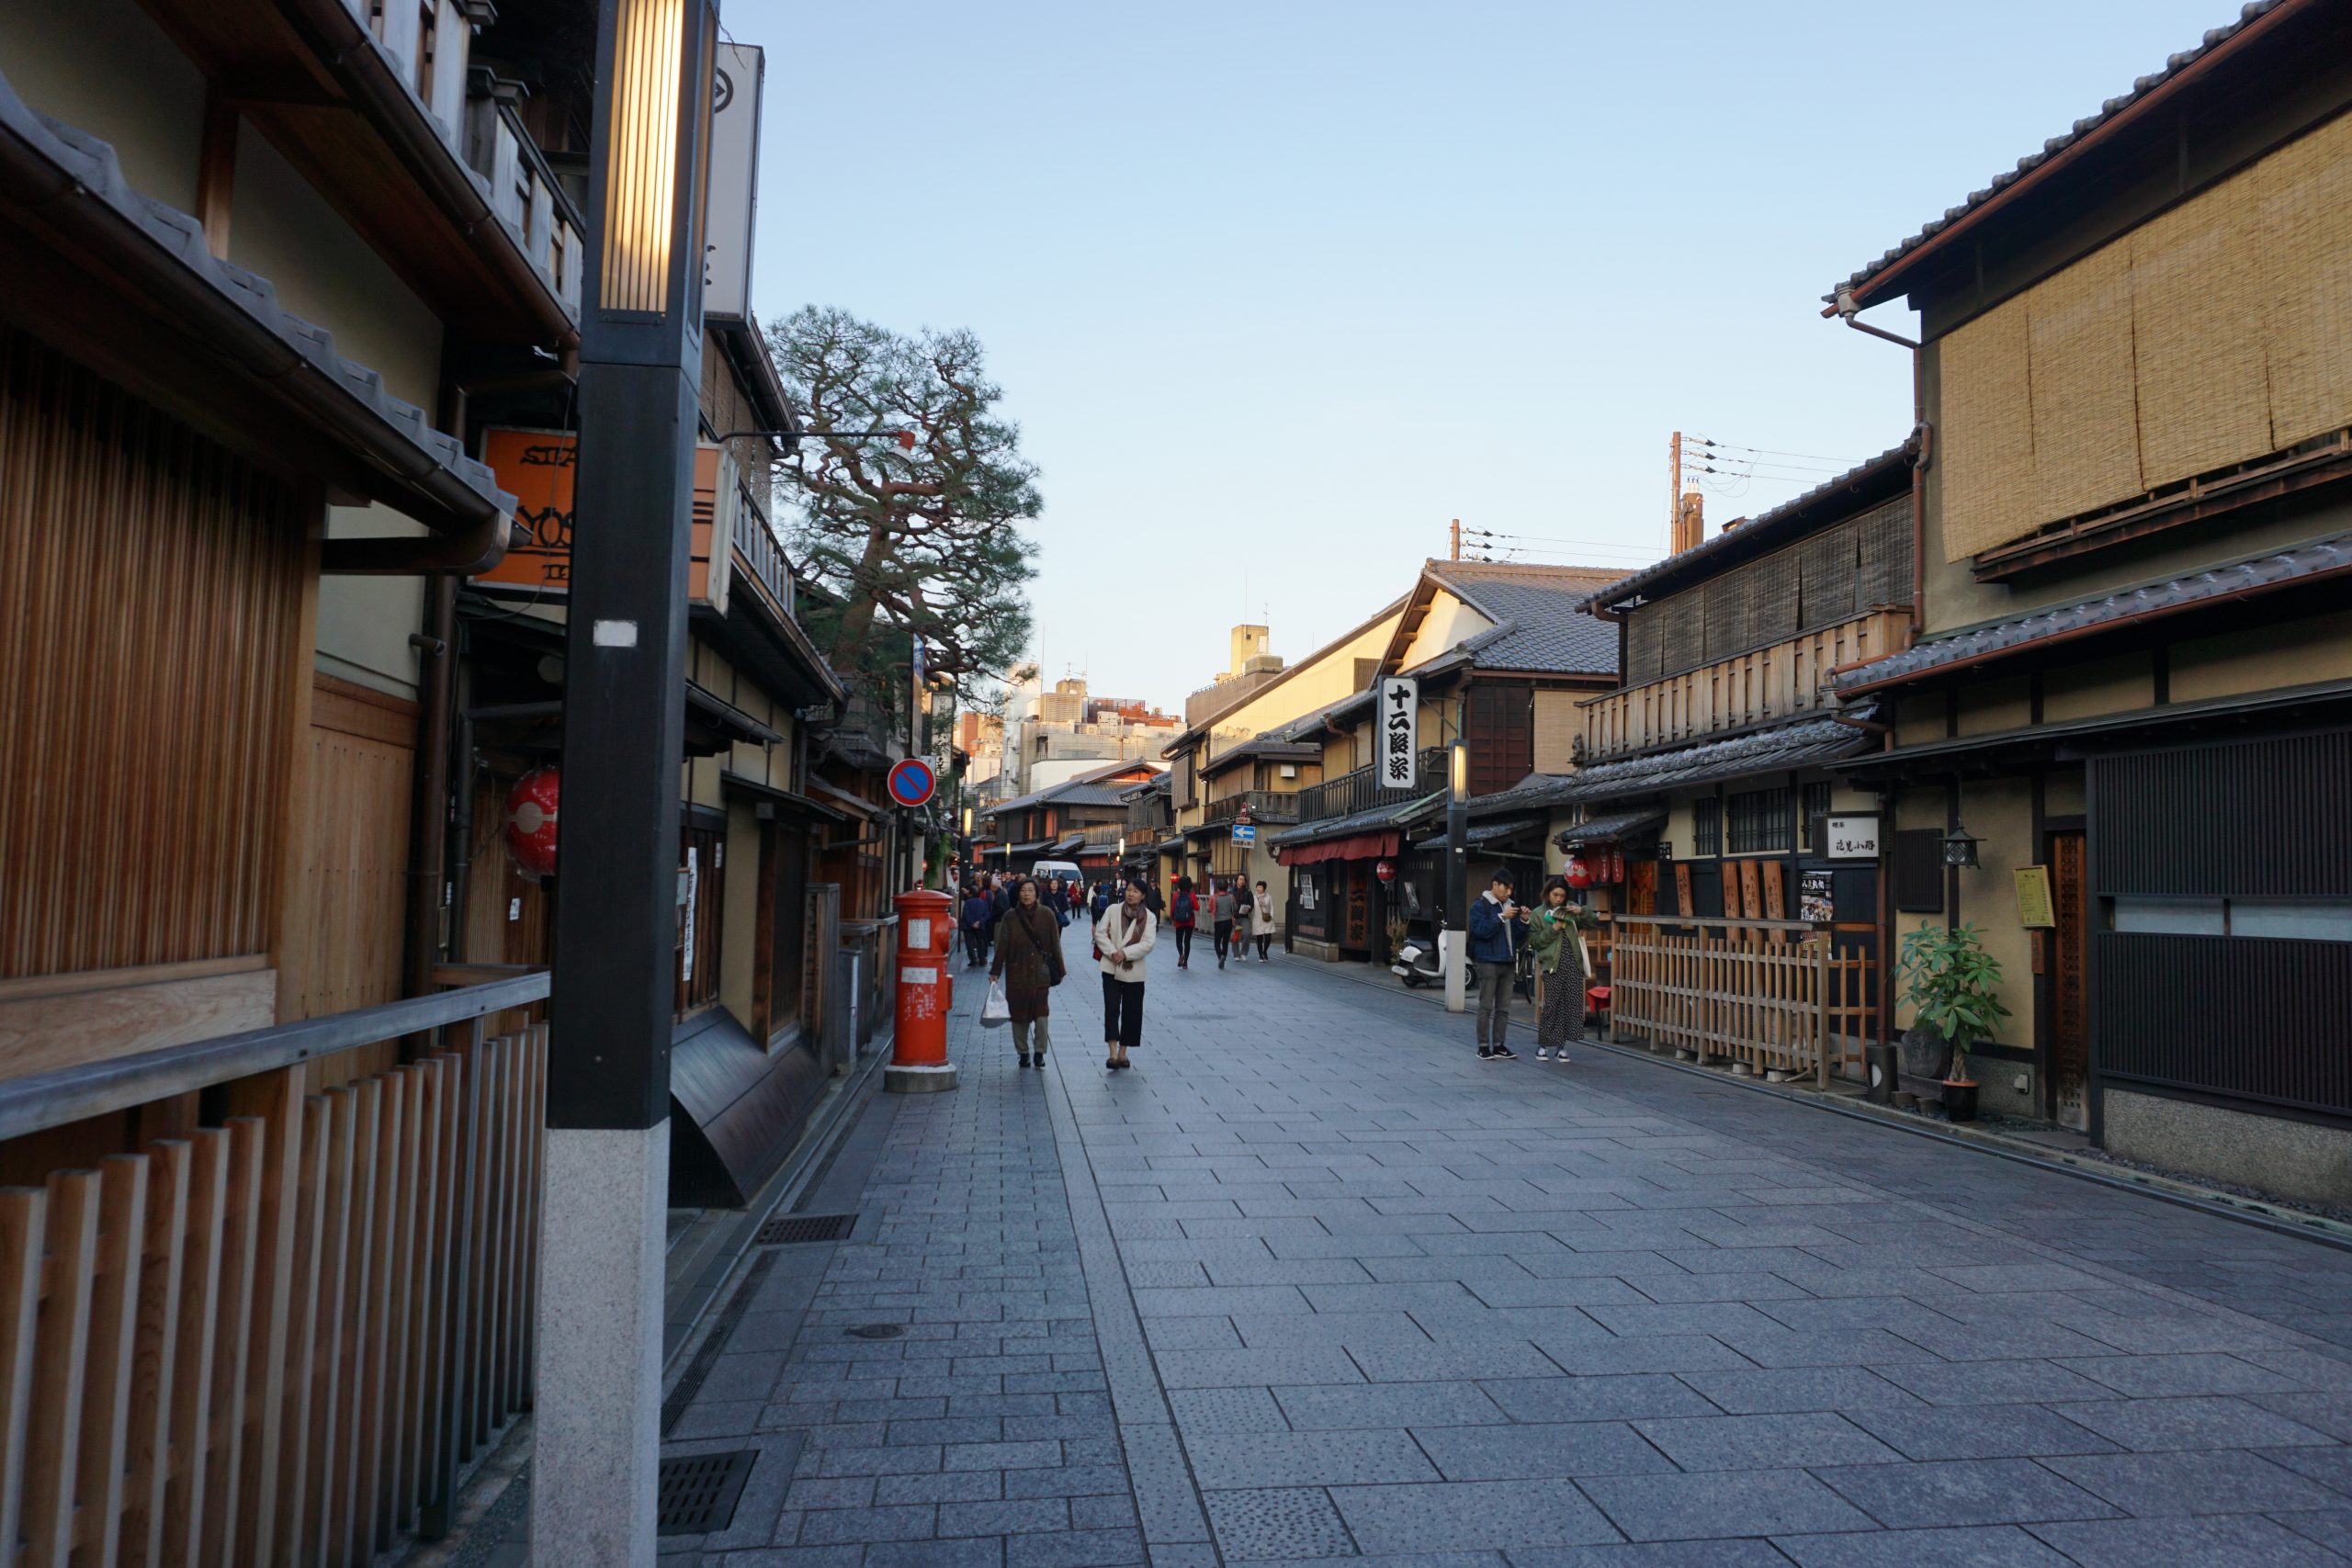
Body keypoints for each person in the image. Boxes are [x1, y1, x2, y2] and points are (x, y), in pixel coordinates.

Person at [992, 876, 1067, 1070]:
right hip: (1017, 973)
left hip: (1040, 973)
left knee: (1041, 1015)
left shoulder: (1047, 914)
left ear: (1036, 894)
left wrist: (1060, 968)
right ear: (1018, 893)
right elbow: (1002, 946)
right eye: (1023, 890)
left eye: (1030, 891)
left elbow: (1055, 944)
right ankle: (1023, 1052)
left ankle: (1040, 1052)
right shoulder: (1010, 917)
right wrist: (995, 970)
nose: (1027, 894)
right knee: (1019, 1016)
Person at [1525, 877, 1597, 1061]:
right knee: (1552, 1005)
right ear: (1548, 893)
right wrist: (1555, 928)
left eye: (1562, 895)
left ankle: (1561, 1046)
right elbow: (1535, 941)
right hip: (1552, 964)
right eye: (1555, 895)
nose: (1558, 899)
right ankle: (1542, 1045)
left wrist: (1582, 911)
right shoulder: (1539, 913)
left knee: (1571, 1006)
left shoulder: (1571, 908)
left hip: (1573, 962)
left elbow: (1592, 921)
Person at [1094, 880, 1156, 1070]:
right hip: (1111, 967)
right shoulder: (1113, 909)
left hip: (1133, 970)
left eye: (1136, 891)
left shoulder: (1149, 917)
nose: (1131, 894)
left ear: (1143, 895)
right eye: (1129, 890)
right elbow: (1100, 933)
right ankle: (1112, 1053)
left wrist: (1126, 953)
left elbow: (1148, 943)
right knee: (1112, 1009)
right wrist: (1113, 952)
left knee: (1132, 1012)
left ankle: (1123, 1053)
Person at [1467, 870, 1527, 1061]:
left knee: (1504, 1008)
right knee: (1486, 1006)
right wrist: (1501, 917)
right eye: (1505, 887)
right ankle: (1483, 1046)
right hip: (1488, 961)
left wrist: (1524, 920)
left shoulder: (1511, 906)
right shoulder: (1480, 906)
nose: (1508, 893)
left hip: (1508, 961)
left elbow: (1517, 935)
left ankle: (1499, 1045)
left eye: (1510, 889)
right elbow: (1481, 931)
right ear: (1494, 885)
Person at [959, 880, 994, 969]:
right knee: (980, 943)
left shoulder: (968, 902)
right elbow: (987, 914)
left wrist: (972, 923)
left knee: (969, 944)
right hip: (980, 926)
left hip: (968, 926)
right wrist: (980, 922)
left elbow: (966, 914)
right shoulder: (983, 903)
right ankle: (982, 959)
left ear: (970, 894)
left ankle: (973, 960)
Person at [1168, 876, 1198, 968]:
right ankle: (1185, 964)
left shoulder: (1176, 895)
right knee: (1187, 942)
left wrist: (1172, 919)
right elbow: (1197, 908)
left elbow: (1172, 909)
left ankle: (1181, 954)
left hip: (1179, 921)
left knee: (1179, 940)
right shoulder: (1192, 895)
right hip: (1190, 921)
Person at [1209, 878, 1238, 969]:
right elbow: (1235, 908)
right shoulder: (1231, 897)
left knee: (1217, 942)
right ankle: (1224, 957)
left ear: (1218, 887)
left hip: (1218, 922)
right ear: (1227, 887)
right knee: (1225, 942)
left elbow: (1209, 909)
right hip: (1229, 921)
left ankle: (1220, 956)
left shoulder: (1214, 897)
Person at [1250, 880, 1277, 962]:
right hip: (1257, 919)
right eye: (1257, 887)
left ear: (1264, 888)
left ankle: (1265, 951)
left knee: (1268, 937)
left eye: (1260, 887)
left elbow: (1272, 907)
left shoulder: (1268, 896)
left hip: (1267, 919)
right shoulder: (1253, 897)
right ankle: (1260, 955)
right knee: (1259, 937)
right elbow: (1251, 907)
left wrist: (1271, 916)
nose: (1258, 888)